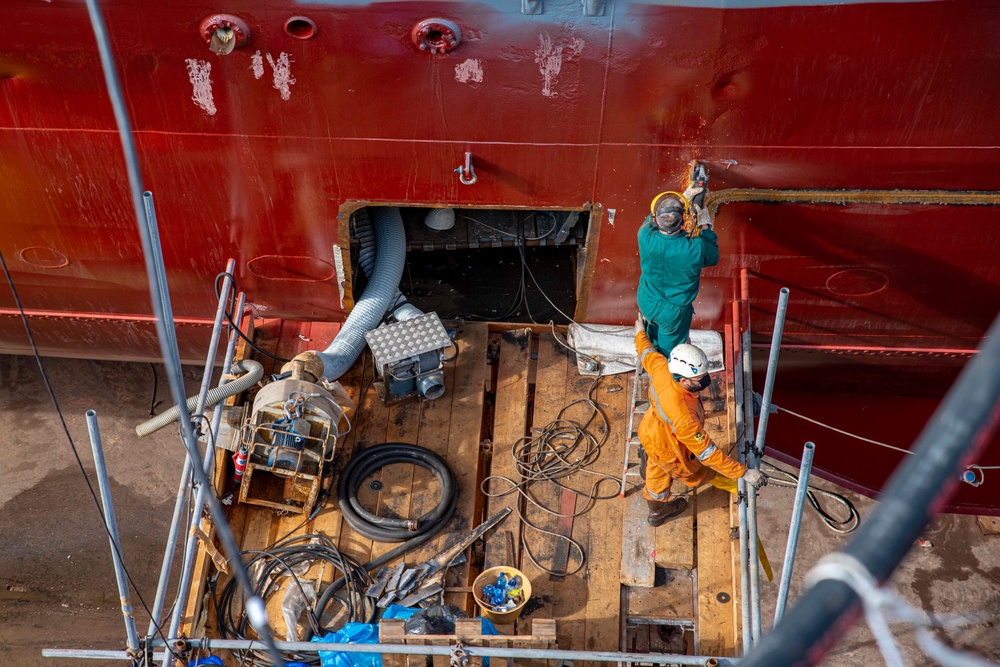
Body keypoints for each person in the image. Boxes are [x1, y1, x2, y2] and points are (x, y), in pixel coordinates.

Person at [634, 322, 767, 526]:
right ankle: (658, 511)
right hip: (669, 450)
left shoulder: (662, 369)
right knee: (694, 472)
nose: (705, 381)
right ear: (685, 381)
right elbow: (708, 454)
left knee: (655, 465)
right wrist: (743, 472)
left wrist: (640, 333)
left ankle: (649, 463)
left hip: (651, 432)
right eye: (700, 379)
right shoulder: (684, 416)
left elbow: (646, 353)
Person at [636, 185, 719, 355]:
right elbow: (713, 257)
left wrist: (681, 198)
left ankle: (650, 351)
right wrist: (705, 224)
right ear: (682, 221)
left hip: (646, 300)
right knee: (670, 354)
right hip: (672, 312)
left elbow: (652, 218)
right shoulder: (696, 248)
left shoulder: (644, 236)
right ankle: (666, 375)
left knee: (653, 331)